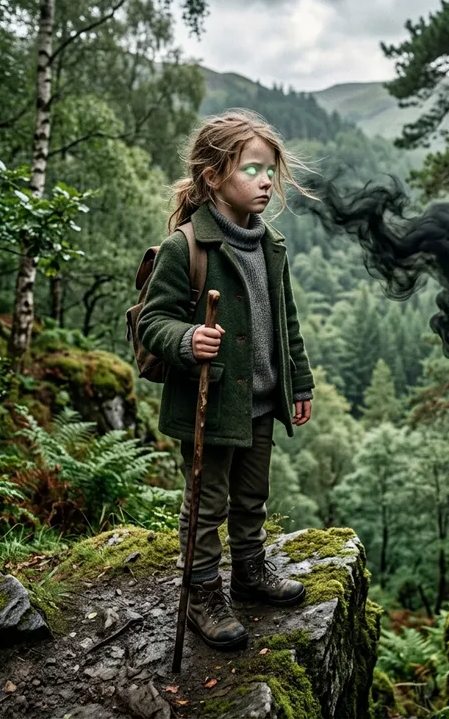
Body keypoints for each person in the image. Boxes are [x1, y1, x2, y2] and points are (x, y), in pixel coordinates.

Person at [137, 109, 316, 650]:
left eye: (270, 172)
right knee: (206, 503)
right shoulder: (186, 247)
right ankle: (202, 596)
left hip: (260, 400)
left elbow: (286, 322)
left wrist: (299, 384)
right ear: (213, 177)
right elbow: (153, 321)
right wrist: (188, 339)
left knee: (252, 496)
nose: (265, 182)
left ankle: (249, 573)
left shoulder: (270, 244)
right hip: (210, 404)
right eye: (252, 170)